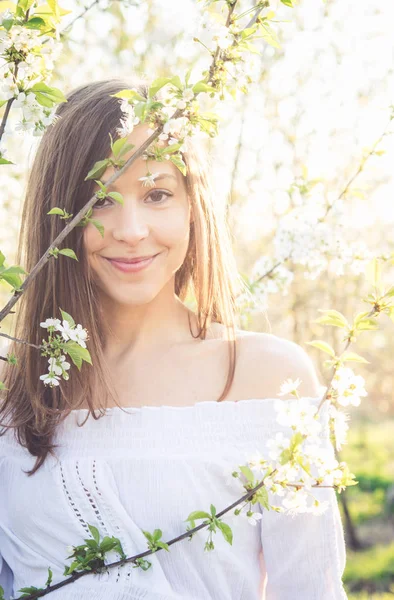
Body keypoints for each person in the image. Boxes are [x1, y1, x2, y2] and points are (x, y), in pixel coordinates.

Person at [0, 78, 348, 599]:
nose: (132, 229)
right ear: (59, 217)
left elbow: (308, 590)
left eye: (157, 194)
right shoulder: (14, 383)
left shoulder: (271, 377)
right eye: (99, 200)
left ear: (192, 206)